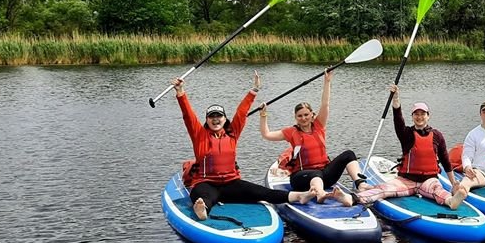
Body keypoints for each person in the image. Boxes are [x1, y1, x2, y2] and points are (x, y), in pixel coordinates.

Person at [172, 71, 316, 221]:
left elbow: (241, 113)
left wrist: (254, 90)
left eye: (219, 116)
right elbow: (188, 116)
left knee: (262, 192)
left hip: (231, 183)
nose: (215, 120)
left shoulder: (232, 133)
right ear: (207, 120)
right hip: (207, 183)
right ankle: (202, 208)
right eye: (212, 117)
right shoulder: (199, 135)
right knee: (203, 194)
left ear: (224, 119)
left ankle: (299, 196)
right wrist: (181, 93)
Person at [258, 69, 368, 206]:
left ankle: (360, 184)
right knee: (315, 174)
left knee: (348, 154)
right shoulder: (291, 132)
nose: (303, 118)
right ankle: (321, 194)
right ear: (295, 118)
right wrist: (263, 115)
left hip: (324, 175)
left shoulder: (319, 125)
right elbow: (266, 134)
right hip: (301, 178)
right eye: (300, 116)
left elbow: (325, 104)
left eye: (306, 115)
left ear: (312, 115)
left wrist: (327, 81)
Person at [354, 85, 468, 210]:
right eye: (416, 114)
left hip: (428, 180)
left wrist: (454, 184)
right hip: (406, 180)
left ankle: (451, 201)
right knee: (385, 190)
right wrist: (396, 98)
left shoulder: (437, 136)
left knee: (437, 190)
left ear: (428, 116)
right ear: (412, 117)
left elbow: (446, 161)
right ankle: (354, 198)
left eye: (423, 114)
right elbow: (398, 120)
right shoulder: (406, 134)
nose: (419, 117)